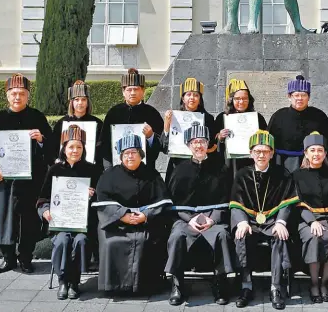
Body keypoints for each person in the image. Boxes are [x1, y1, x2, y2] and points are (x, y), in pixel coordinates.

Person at [0, 73, 52, 274]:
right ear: (7, 95)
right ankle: (8, 259)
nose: (17, 97)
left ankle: (26, 258)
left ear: (28, 95)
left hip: (31, 181)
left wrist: (41, 140)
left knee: (29, 221)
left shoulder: (37, 117)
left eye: (22, 93)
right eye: (14, 93)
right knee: (5, 220)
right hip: (5, 182)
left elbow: (52, 149)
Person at [165, 123, 235, 306]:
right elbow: (174, 203)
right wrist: (191, 219)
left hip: (214, 217)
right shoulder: (179, 170)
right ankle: (177, 283)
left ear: (208, 144)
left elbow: (227, 198)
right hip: (186, 218)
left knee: (221, 234)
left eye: (202, 141)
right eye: (195, 142)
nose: (199, 146)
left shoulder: (220, 169)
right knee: (177, 235)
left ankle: (221, 282)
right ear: (188, 145)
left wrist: (213, 219)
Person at [93, 134, 171, 294]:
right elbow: (102, 201)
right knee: (111, 242)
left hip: (145, 221)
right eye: (126, 153)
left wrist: (146, 215)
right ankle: (114, 286)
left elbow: (163, 201)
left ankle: (146, 286)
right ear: (121, 156)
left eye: (134, 152)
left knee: (146, 240)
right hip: (116, 222)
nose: (130, 156)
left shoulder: (152, 174)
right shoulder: (109, 175)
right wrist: (122, 215)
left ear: (140, 155)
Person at [230, 130, 298, 310]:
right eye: (258, 151)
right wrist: (242, 222)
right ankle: (246, 286)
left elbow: (287, 203)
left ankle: (275, 287)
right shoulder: (242, 174)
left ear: (272, 153)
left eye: (266, 151)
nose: (261, 155)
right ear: (251, 153)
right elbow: (236, 203)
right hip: (250, 221)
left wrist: (281, 222)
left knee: (279, 236)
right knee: (241, 236)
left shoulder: (282, 173)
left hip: (272, 221)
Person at [37, 125, 99, 300]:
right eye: (71, 147)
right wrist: (45, 211)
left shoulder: (92, 170)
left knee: (80, 241)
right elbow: (42, 198)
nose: (75, 151)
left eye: (79, 147)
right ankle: (63, 280)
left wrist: (92, 195)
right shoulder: (54, 170)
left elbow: (101, 200)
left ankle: (75, 282)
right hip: (61, 222)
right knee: (63, 240)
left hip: (83, 224)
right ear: (64, 149)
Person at [51, 80, 104, 265]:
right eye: (76, 100)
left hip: (90, 175)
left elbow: (102, 151)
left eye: (83, 99)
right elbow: (53, 152)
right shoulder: (61, 124)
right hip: (66, 177)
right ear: (71, 102)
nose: (80, 103)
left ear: (88, 102)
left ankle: (91, 255)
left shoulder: (98, 123)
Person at [292, 132, 328, 303]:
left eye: (320, 150)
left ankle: (324, 282)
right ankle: (314, 283)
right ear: (306, 153)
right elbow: (298, 204)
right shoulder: (297, 175)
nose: (316, 154)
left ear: (325, 153)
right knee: (314, 237)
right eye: (312, 150)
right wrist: (312, 221)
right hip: (306, 220)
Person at [99, 68, 164, 170]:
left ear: (143, 91)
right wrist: (109, 168)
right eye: (129, 89)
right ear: (123, 92)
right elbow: (104, 143)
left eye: (136, 89)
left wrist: (151, 137)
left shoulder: (152, 113)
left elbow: (161, 144)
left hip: (145, 170)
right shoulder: (114, 113)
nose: (132, 93)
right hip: (117, 169)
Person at [268, 75, 328, 171]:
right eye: (296, 95)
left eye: (303, 95)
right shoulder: (279, 116)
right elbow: (269, 144)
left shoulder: (319, 116)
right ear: (289, 97)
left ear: (309, 97)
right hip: (284, 163)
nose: (300, 98)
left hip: (312, 163)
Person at [162, 78, 219, 184]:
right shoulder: (174, 117)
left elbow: (213, 146)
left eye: (196, 95)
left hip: (201, 166)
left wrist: (206, 149)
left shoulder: (208, 118)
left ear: (200, 99)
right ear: (183, 98)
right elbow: (165, 148)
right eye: (188, 94)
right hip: (178, 165)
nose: (192, 98)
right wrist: (167, 125)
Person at [215, 79, 268, 173]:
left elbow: (265, 139)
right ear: (231, 100)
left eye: (245, 98)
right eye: (237, 99)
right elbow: (213, 140)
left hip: (250, 161)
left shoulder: (257, 118)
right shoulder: (222, 117)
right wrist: (220, 136)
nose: (241, 101)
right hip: (229, 162)